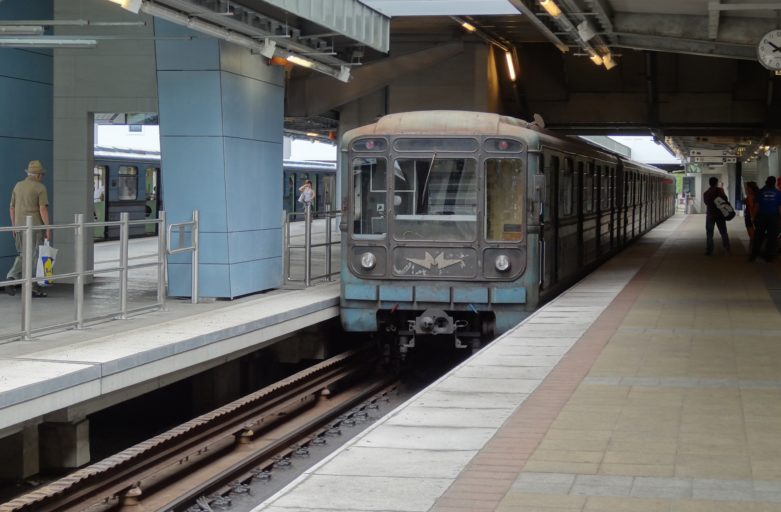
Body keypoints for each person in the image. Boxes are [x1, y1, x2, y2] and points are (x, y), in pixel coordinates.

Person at [5, 160, 51, 297]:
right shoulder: (40, 187)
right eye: (41, 174)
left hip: (19, 226)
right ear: (37, 175)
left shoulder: (18, 186)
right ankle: (13, 278)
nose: (42, 177)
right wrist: (48, 228)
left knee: (23, 255)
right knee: (32, 257)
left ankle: (28, 286)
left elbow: (11, 208)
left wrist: (14, 226)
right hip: (35, 228)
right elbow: (42, 209)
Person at [750, 175, 781, 262]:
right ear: (774, 183)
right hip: (773, 217)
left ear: (766, 182)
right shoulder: (778, 193)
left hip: (761, 217)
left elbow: (756, 206)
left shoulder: (760, 192)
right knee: (772, 237)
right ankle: (769, 256)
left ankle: (754, 255)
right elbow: (779, 208)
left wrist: (753, 217)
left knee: (758, 236)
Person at [702, 176, 730, 256]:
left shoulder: (706, 193)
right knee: (723, 233)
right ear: (716, 183)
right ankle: (727, 249)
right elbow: (725, 199)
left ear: (709, 183)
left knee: (709, 234)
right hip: (720, 214)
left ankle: (709, 250)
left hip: (710, 215)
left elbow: (707, 203)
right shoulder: (720, 191)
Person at [743, 181, 759, 245]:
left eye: (747, 188)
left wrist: (752, 217)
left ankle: (753, 249)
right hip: (756, 215)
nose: (746, 189)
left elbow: (751, 207)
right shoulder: (757, 194)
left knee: (751, 234)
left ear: (750, 188)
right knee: (755, 232)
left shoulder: (750, 196)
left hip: (750, 215)